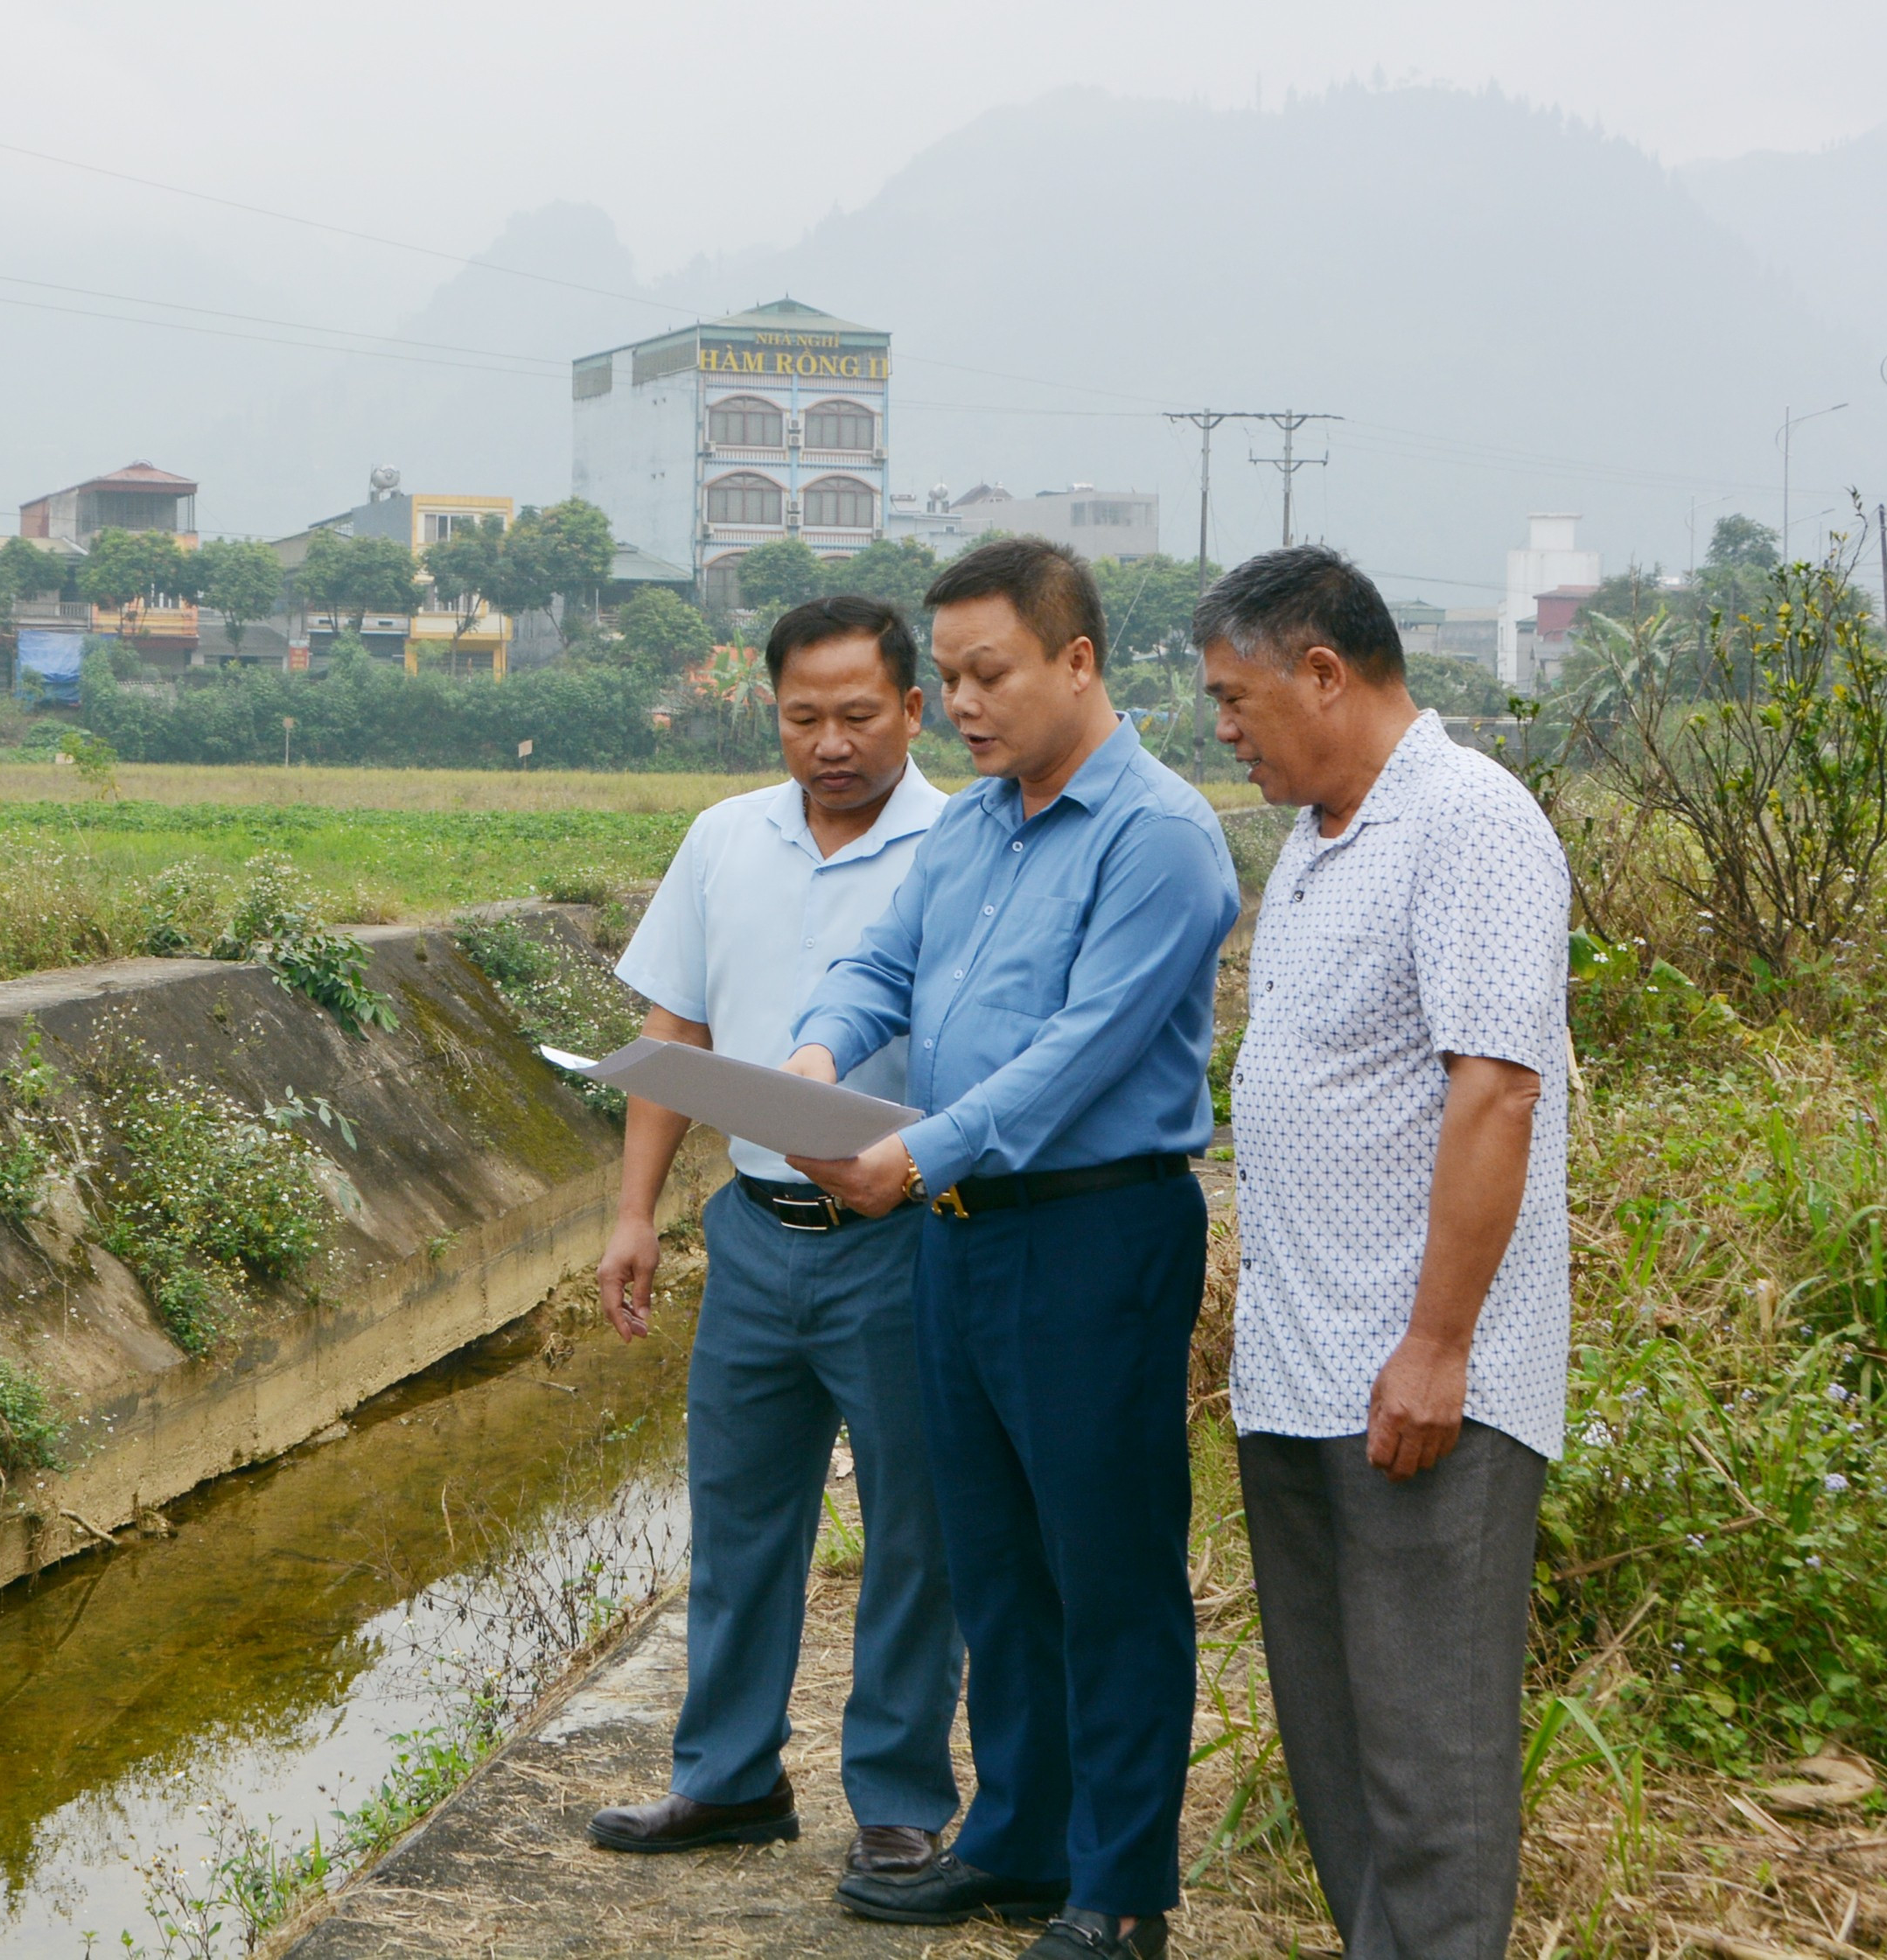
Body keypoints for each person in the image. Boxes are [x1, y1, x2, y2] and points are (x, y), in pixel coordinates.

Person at [781, 536, 1241, 1957]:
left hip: (1095, 1231)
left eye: (989, 675)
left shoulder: (1157, 835)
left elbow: (1078, 1056)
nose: (962, 705)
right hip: (965, 1239)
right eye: (955, 677)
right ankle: (1024, 1839)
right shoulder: (977, 826)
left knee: (1105, 1568)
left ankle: (1119, 1890)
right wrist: (815, 1055)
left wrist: (908, 1150)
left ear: (1079, 661)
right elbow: (879, 967)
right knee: (995, 1562)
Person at [1193, 547, 1569, 1960]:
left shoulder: (1470, 820)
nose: (1224, 726)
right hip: (1301, 1380)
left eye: (1238, 696)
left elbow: (1498, 1090)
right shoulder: (1317, 838)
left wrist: (1435, 1344)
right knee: (1340, 1755)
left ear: (1325, 674)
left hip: (1419, 1388)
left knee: (1430, 1767)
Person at [587, 595, 962, 1891]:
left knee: (917, 1531)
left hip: (904, 1238)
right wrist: (636, 1213)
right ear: (774, 713)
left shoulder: (965, 843)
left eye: (860, 715)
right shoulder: (721, 839)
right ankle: (729, 1778)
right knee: (742, 1518)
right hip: (752, 1233)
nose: (831, 743)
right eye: (804, 717)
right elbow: (671, 1030)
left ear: (914, 710)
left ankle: (902, 1800)